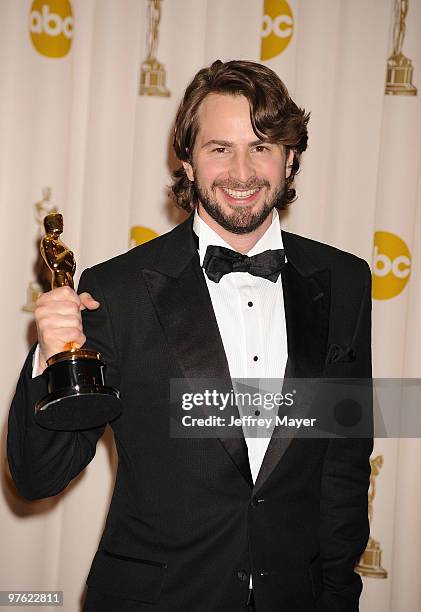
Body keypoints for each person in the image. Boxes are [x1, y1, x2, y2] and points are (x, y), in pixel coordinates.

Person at [8, 60, 373, 611]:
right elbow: (39, 475)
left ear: (290, 156)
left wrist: (340, 599)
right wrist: (49, 358)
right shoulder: (118, 289)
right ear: (187, 160)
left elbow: (344, 468)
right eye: (220, 148)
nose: (242, 172)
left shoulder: (346, 282)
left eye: (262, 146)